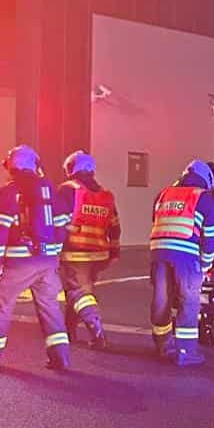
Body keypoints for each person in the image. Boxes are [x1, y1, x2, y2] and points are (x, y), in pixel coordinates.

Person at [0, 145, 71, 371]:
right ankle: (61, 357)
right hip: (48, 261)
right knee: (50, 308)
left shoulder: (8, 192)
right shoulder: (49, 189)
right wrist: (54, 252)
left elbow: (0, 229)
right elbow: (62, 224)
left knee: (3, 305)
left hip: (20, 262)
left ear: (12, 167)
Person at [149, 160, 214, 366]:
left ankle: (163, 346)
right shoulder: (203, 197)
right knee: (188, 301)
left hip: (158, 252)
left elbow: (156, 221)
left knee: (161, 300)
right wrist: (205, 265)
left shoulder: (163, 194)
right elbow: (210, 239)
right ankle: (186, 352)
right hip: (186, 255)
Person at [56, 150, 120, 350]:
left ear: (72, 169)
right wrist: (114, 253)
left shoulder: (68, 190)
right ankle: (69, 330)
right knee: (79, 292)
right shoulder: (105, 195)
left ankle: (96, 330)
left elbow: (58, 221)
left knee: (78, 294)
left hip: (74, 252)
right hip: (99, 255)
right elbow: (115, 227)